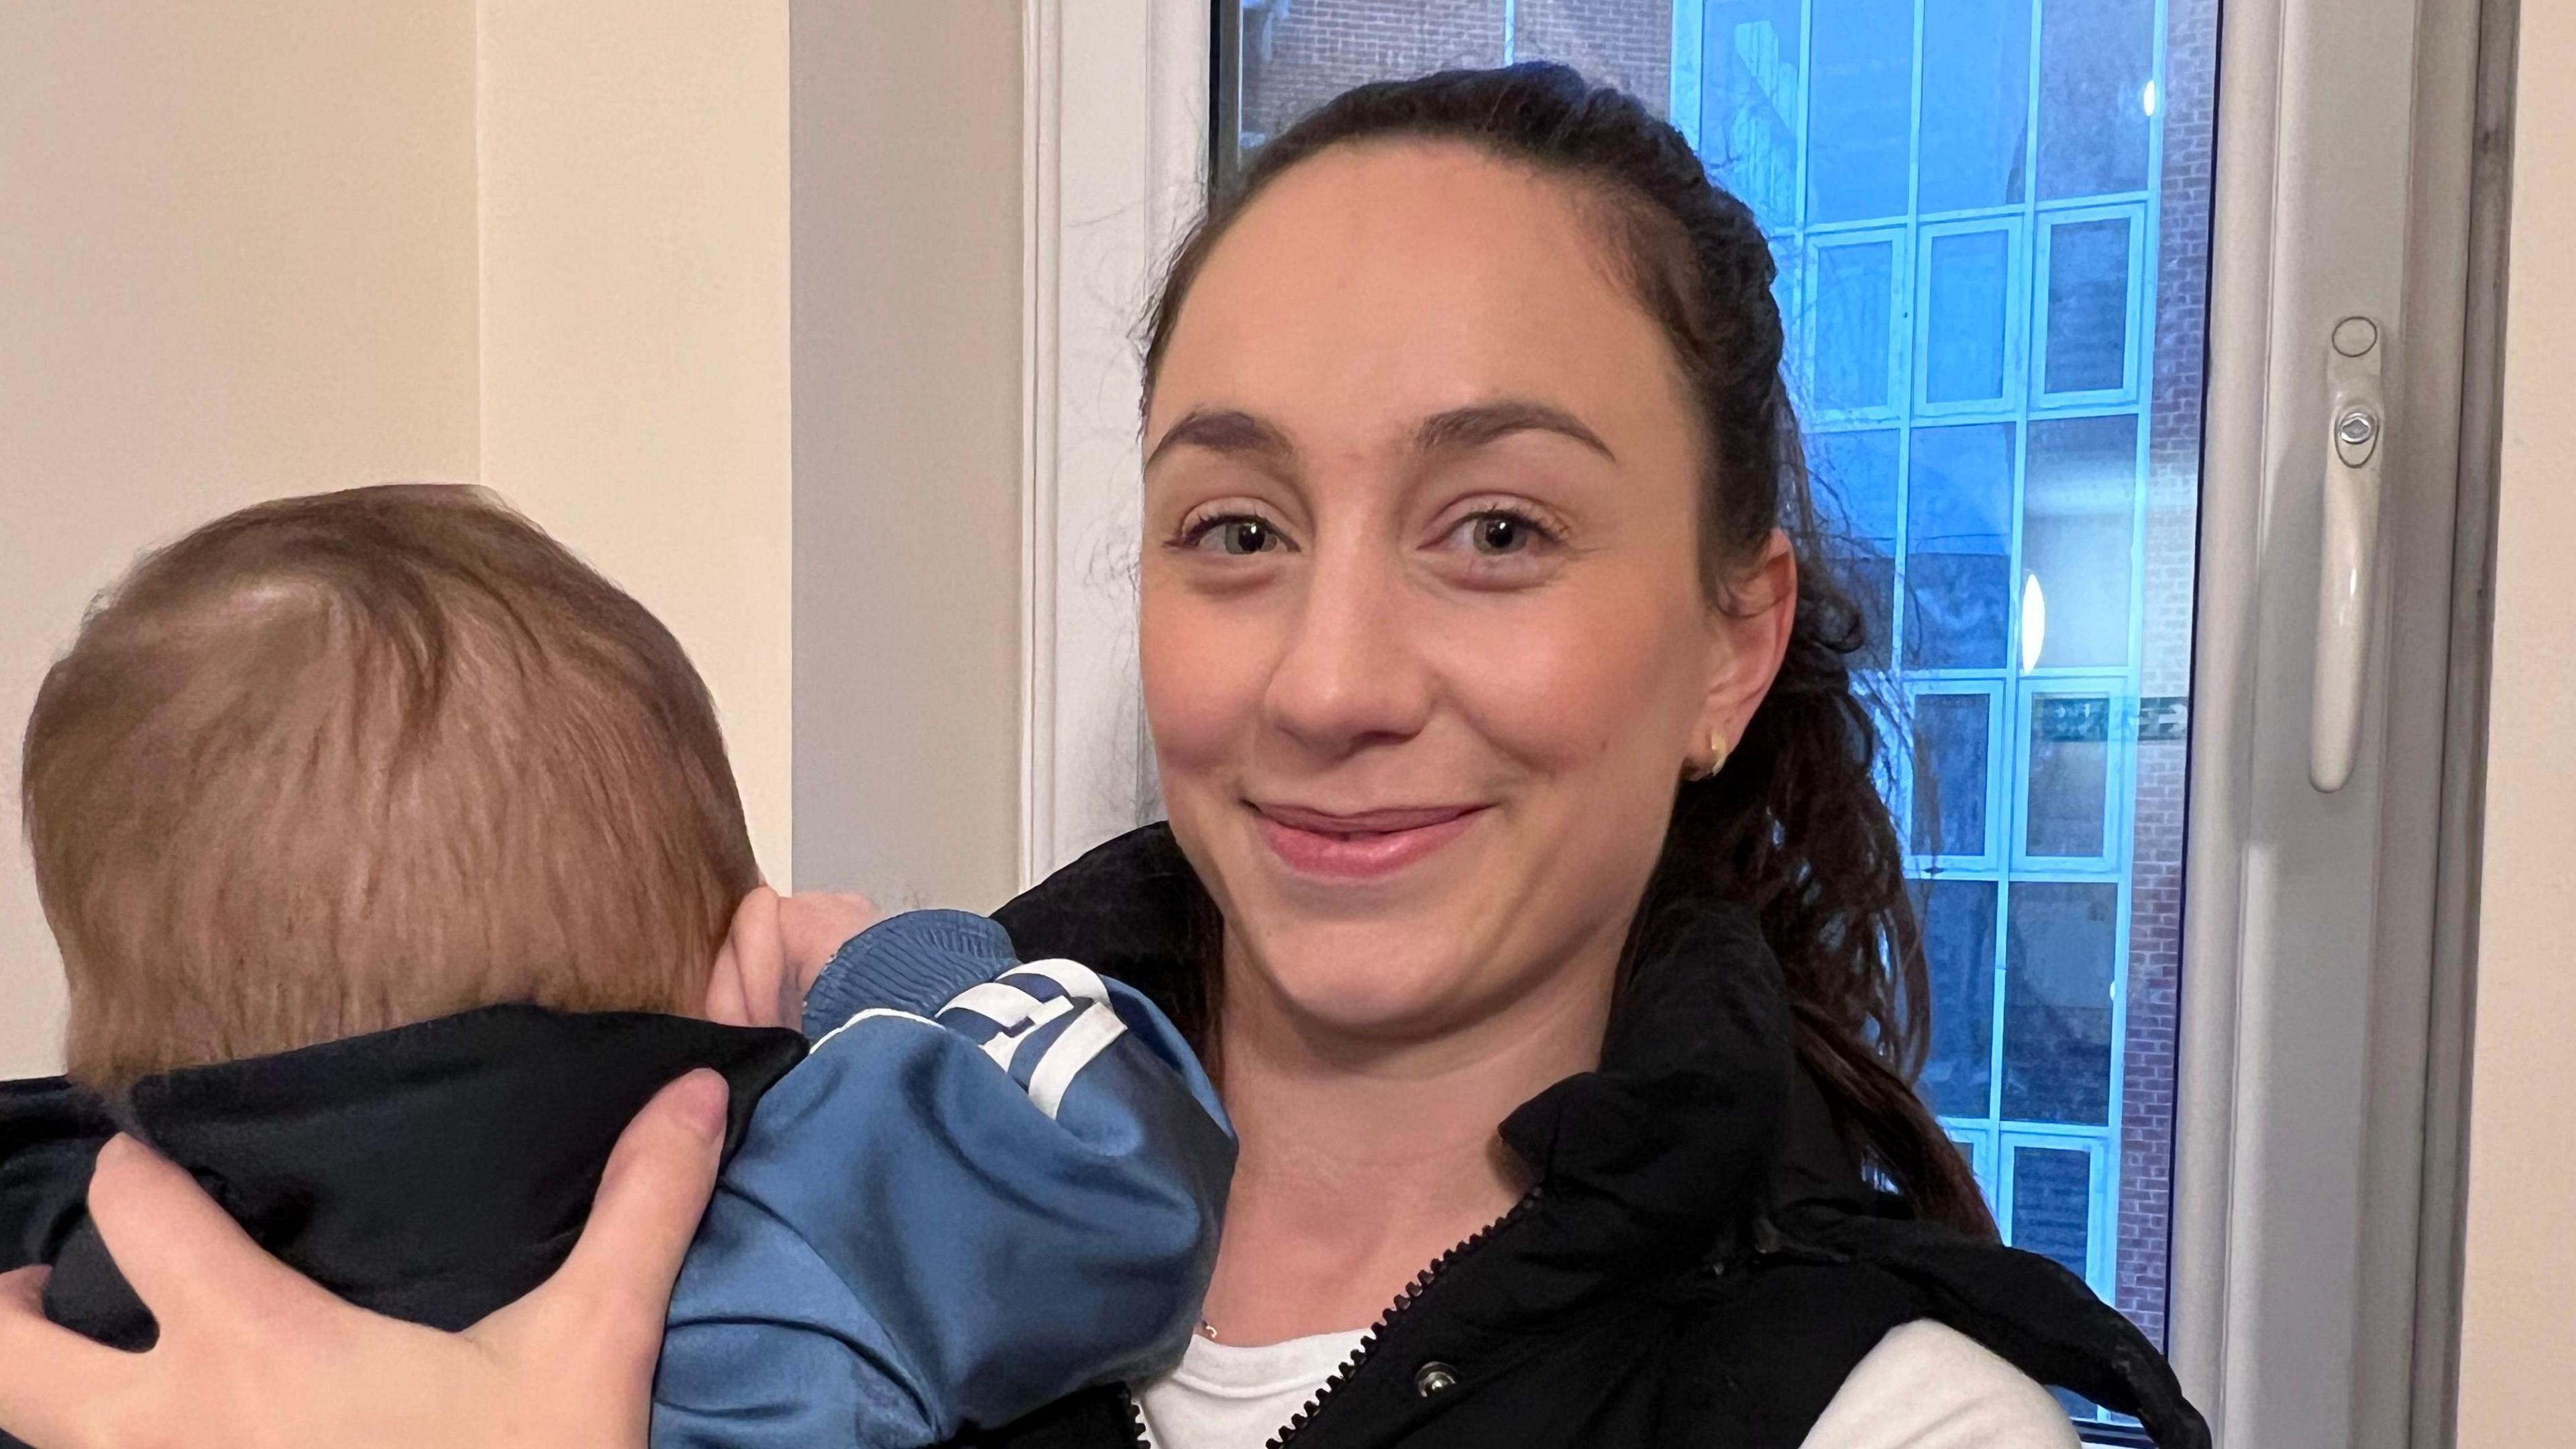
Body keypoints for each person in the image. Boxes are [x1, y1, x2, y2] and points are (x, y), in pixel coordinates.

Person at [0, 64, 2208, 1449]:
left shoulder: (1890, 1419)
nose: (1330, 676)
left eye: (1499, 530)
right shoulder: (786, 1119)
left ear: (1732, 641)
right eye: (1236, 530)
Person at [0, 485, 1232, 1448]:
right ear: (733, 972)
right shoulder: (799, 1220)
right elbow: (1123, 1168)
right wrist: (880, 962)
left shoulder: (82, 1312)